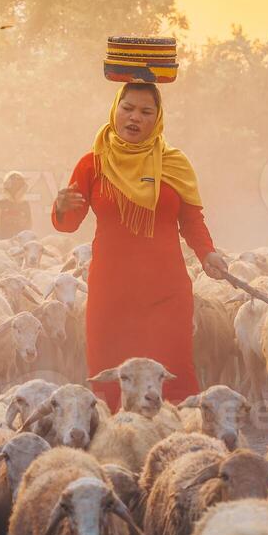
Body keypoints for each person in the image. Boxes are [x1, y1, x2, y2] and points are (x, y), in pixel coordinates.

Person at [52, 81, 230, 410]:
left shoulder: (174, 164)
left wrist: (208, 254)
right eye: (128, 108)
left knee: (172, 376)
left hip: (166, 293)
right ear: (115, 110)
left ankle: (180, 449)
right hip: (111, 294)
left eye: (146, 111)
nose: (135, 117)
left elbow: (191, 220)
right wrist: (62, 208)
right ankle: (115, 449)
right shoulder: (92, 164)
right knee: (112, 378)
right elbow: (69, 222)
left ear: (158, 118)